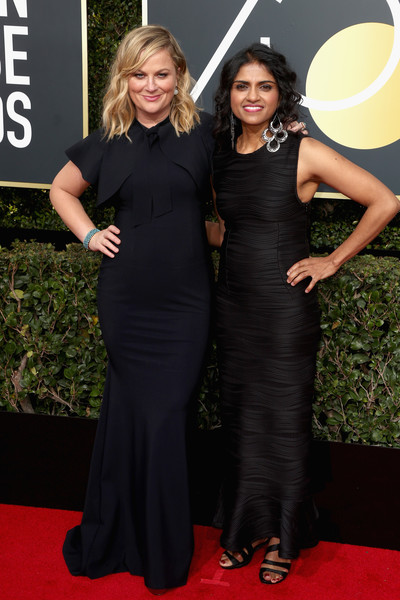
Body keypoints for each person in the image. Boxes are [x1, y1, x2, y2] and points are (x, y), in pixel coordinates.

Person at [208, 43, 399, 585]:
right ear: (228, 94)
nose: (252, 96)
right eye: (242, 86)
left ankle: (282, 538)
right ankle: (246, 526)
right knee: (241, 420)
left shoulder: (304, 151)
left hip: (283, 311)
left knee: (284, 422)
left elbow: (385, 201)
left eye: (264, 86)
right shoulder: (220, 154)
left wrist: (331, 260)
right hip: (233, 307)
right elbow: (226, 231)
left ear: (280, 94)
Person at [49, 25, 216, 594]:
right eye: (138, 74)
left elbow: (243, 187)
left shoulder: (205, 133)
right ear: (124, 78)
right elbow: (61, 190)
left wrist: (288, 137)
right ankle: (126, 537)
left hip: (186, 304)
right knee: (136, 415)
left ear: (179, 76)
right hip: (127, 300)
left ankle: (159, 549)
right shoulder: (107, 139)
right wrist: (90, 234)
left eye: (161, 74)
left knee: (165, 417)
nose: (150, 85)